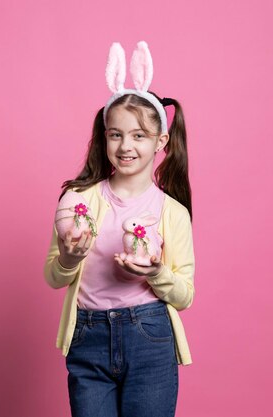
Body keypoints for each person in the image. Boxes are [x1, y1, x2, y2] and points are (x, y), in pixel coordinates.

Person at [43, 41, 195, 417]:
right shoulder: (77, 201)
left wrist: (157, 272)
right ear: (104, 137)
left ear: (161, 142)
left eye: (139, 135)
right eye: (116, 134)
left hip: (150, 338)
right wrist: (67, 257)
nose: (126, 145)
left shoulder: (172, 212)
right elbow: (52, 276)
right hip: (87, 338)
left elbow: (185, 295)